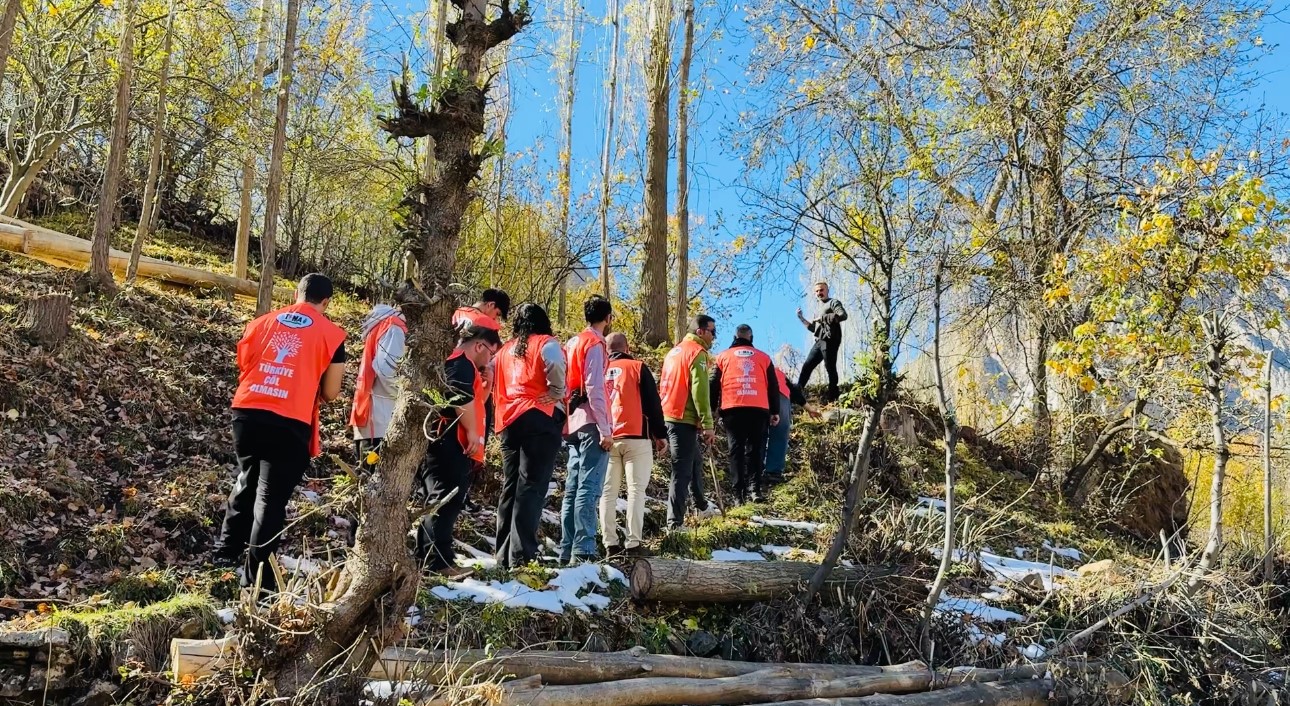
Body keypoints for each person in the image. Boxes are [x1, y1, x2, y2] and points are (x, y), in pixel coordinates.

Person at [214, 274, 347, 590]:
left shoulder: (263, 322)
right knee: (271, 500)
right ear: (325, 302)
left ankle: (225, 552)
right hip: (290, 419)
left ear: (296, 294)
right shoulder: (331, 334)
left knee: (247, 478)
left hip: (247, 411)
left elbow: (245, 364)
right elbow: (331, 391)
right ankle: (257, 579)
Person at [415, 322, 501, 578]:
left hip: (452, 440)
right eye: (490, 353)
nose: (490, 360)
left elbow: (473, 402)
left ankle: (435, 557)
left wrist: (487, 384)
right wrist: (473, 432)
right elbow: (460, 399)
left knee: (445, 498)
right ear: (479, 345)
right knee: (445, 498)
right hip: (450, 441)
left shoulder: (465, 366)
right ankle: (436, 563)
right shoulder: (460, 362)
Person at [492, 303, 566, 569]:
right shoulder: (546, 343)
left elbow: (491, 375)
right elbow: (556, 363)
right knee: (532, 486)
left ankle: (503, 555)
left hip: (509, 419)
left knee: (510, 487)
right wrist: (557, 391)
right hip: (538, 415)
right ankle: (523, 555)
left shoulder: (504, 350)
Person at [599, 332, 667, 557]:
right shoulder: (637, 367)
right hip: (636, 436)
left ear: (607, 349)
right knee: (636, 491)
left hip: (607, 437)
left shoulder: (599, 367)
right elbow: (652, 403)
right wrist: (660, 434)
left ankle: (610, 544)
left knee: (608, 492)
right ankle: (633, 544)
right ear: (626, 347)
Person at [559, 295, 613, 564]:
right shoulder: (595, 343)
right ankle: (584, 549)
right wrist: (606, 428)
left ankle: (566, 548)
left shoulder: (571, 343)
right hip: (592, 422)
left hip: (572, 421)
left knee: (573, 487)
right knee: (589, 487)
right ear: (608, 319)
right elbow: (595, 387)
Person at [659, 315, 720, 529]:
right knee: (682, 471)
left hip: (669, 414)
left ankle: (701, 506)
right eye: (713, 331)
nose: (714, 336)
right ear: (701, 331)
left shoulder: (674, 352)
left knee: (694, 461)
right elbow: (700, 392)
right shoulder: (697, 353)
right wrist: (708, 424)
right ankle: (674, 523)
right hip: (682, 417)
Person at [710, 324, 781, 503]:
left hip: (732, 408)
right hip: (758, 408)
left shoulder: (722, 357)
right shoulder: (764, 358)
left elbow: (713, 383)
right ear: (751, 337)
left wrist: (712, 408)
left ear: (735, 337)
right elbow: (773, 386)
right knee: (756, 450)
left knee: (736, 450)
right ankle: (755, 489)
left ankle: (737, 494)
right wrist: (775, 411)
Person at [350, 301, 406, 464]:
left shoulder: (385, 323)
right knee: (376, 480)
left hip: (372, 414)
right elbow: (387, 371)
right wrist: (409, 394)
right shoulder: (395, 327)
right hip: (382, 418)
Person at [764, 366, 821, 485]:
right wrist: (809, 409)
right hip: (780, 395)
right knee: (779, 434)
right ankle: (773, 473)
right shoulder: (777, 372)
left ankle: (755, 471)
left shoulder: (756, 365)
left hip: (756, 395)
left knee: (757, 435)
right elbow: (794, 391)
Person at [796, 281, 848, 402]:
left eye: (822, 290)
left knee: (830, 367)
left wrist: (823, 318)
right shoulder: (819, 308)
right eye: (817, 291)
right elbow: (814, 329)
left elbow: (843, 315)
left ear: (827, 290)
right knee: (807, 366)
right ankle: (797, 393)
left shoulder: (833, 302)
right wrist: (801, 318)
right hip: (819, 341)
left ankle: (833, 397)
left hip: (830, 340)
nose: (819, 293)